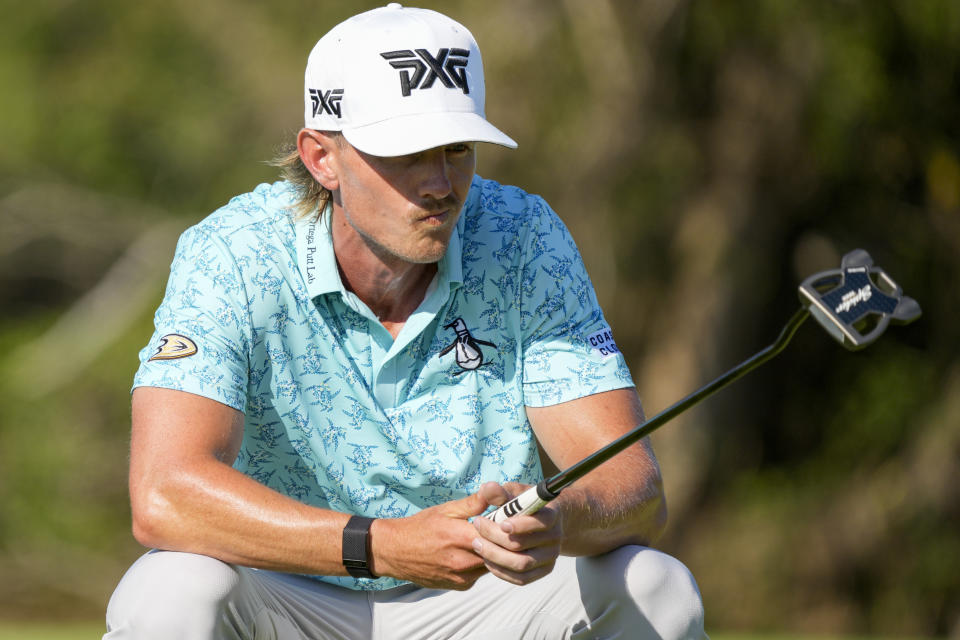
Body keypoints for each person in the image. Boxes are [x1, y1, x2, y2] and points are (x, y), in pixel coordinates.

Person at [103, 4, 707, 639]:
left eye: (457, 149)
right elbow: (165, 493)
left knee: (654, 585)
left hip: (484, 596)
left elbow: (635, 489)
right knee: (170, 590)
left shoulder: (525, 238)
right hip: (288, 596)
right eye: (408, 153)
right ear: (321, 157)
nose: (442, 184)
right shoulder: (232, 251)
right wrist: (380, 545)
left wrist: (562, 520)